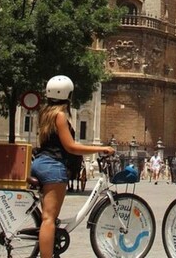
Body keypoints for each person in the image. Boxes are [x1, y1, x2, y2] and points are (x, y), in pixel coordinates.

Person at [31, 75, 115, 258]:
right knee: (49, 219)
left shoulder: (44, 113)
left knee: (48, 216)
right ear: (68, 95)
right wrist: (101, 148)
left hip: (39, 162)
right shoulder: (60, 116)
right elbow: (71, 146)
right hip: (53, 166)